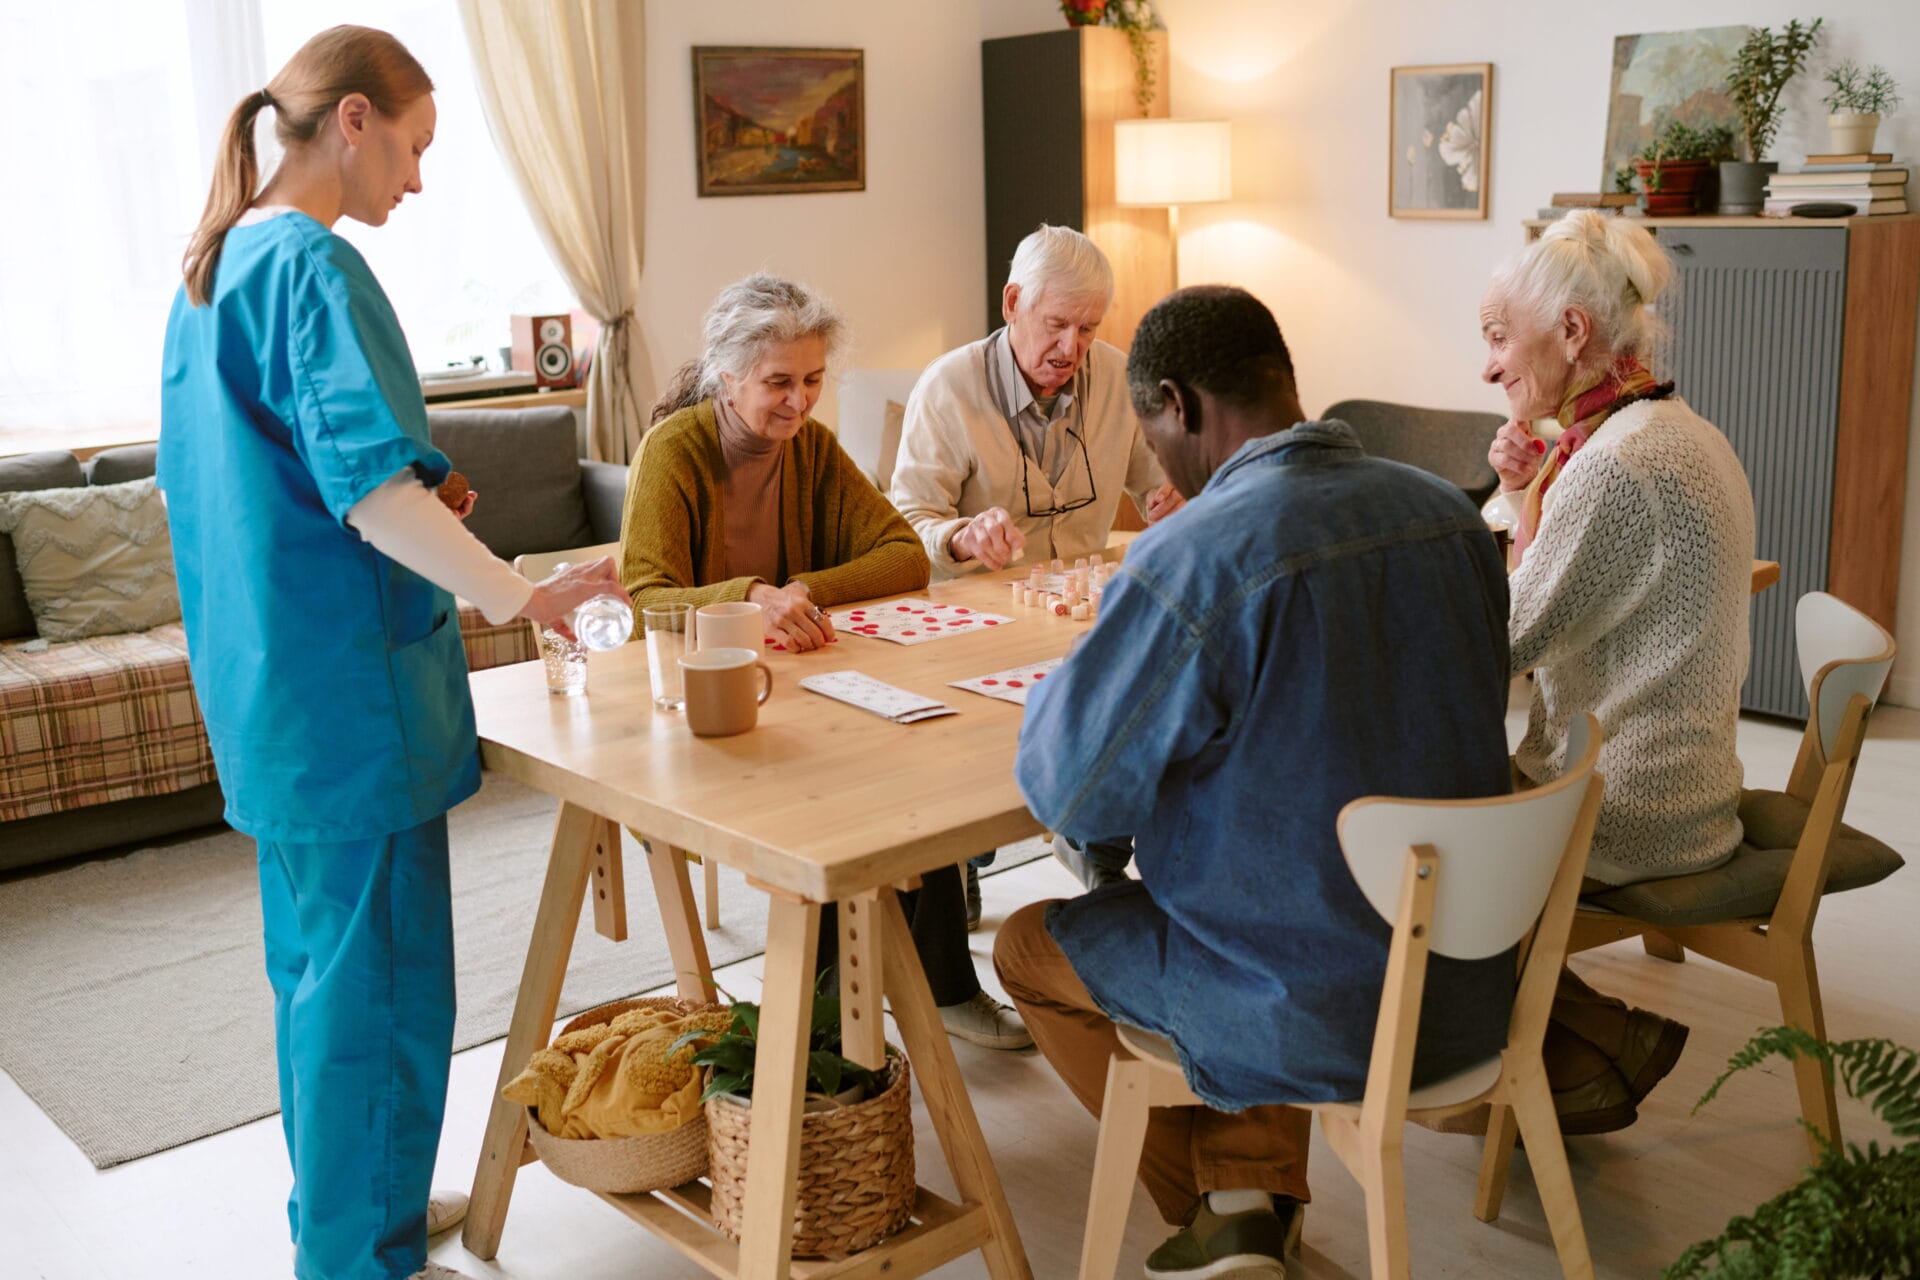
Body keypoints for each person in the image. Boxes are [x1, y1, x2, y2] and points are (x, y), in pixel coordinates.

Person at [159, 27, 623, 1280]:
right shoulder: (311, 266)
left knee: (318, 977)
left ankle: (344, 1215)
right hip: (350, 697)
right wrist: (529, 595)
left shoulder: (211, 270)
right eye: (414, 147)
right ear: (352, 121)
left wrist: (423, 486)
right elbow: (365, 496)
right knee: (381, 987)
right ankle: (360, 1256)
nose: (416, 181)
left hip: (275, 691)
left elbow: (298, 480)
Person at [995, 285, 1516, 1280]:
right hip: (1470, 977)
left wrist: (1069, 684)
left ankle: (1220, 1217)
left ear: (1177, 405)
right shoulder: (1448, 518)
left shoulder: (1194, 555)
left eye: (1151, 431)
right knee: (1258, 876)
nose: (1157, 459)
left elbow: (1070, 790)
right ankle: (1243, 1195)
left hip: (1309, 1006)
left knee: (1032, 943)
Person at [621, 274, 1029, 1049]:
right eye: (779, 383)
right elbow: (647, 598)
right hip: (692, 722)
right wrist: (751, 596)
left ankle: (931, 992)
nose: (799, 402)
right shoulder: (673, 451)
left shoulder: (810, 449)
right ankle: (823, 1042)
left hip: (796, 694)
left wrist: (802, 589)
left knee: (916, 762)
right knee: (839, 816)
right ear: (726, 374)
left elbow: (905, 556)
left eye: (811, 381)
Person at [1477, 209, 1756, 1132]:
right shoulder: (1672, 428)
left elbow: (1506, 643)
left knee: (1405, 842)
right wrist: (1526, 492)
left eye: (1498, 339)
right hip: (1694, 786)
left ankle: (1549, 1059)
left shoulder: (1612, 468)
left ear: (1572, 332)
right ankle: (1587, 1043)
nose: (1488, 368)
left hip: (1630, 811)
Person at [889, 224, 1178, 905]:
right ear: (1012, 301)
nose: (1072, 348)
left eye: (1087, 328)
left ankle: (1097, 848)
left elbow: (1155, 480)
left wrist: (1172, 497)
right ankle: (959, 858)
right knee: (971, 750)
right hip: (969, 621)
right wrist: (960, 536)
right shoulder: (948, 387)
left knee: (1143, 702)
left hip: (1082, 612)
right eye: (1056, 325)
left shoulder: (1115, 374)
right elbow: (905, 521)